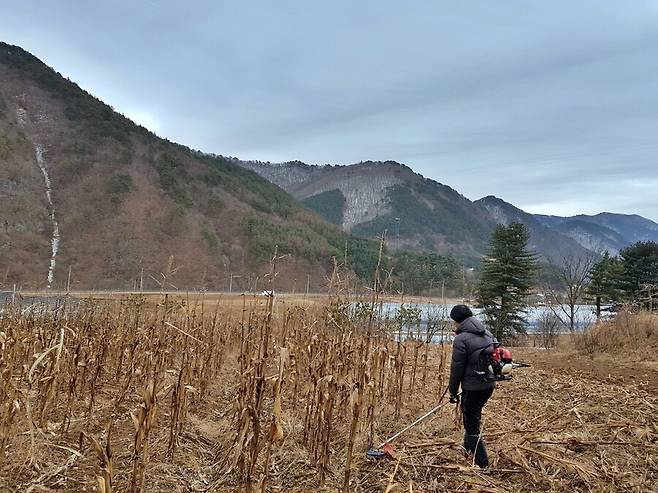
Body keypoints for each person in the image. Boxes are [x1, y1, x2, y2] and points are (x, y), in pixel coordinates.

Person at [448, 304, 496, 468]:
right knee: (472, 417)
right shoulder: (487, 333)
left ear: (457, 321)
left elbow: (456, 369)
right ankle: (467, 448)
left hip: (473, 388)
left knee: (471, 425)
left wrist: (452, 392)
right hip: (488, 386)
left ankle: (482, 464)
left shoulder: (461, 339)